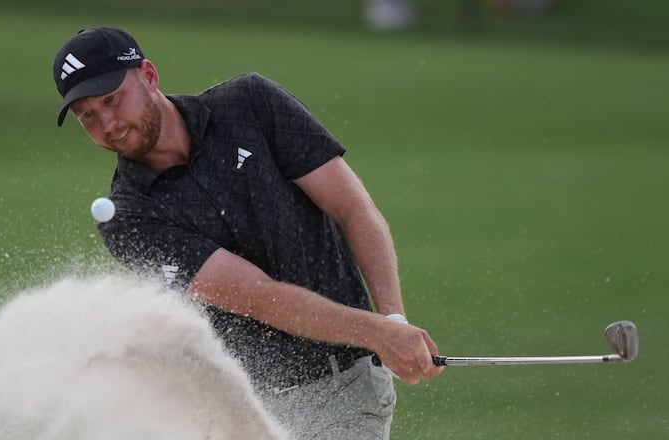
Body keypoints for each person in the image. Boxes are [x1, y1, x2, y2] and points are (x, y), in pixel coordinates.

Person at [52, 27, 443, 439]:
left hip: (343, 389)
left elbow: (352, 209)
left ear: (148, 75)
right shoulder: (128, 220)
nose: (108, 124)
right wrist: (377, 332)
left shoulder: (249, 104)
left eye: (112, 99)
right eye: (87, 116)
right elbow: (256, 297)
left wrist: (393, 320)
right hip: (236, 413)